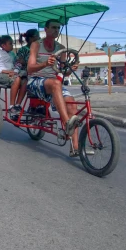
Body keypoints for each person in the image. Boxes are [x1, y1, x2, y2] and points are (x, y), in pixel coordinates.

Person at [27, 19, 81, 153]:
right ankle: (67, 123)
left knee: (72, 103)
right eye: (53, 27)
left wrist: (70, 69)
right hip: (35, 80)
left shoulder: (61, 48)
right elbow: (29, 69)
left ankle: (75, 147)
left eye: (58, 28)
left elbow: (63, 72)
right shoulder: (36, 45)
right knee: (56, 83)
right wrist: (45, 64)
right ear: (45, 29)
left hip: (53, 83)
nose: (56, 30)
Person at [10, 29, 40, 117]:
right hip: (24, 72)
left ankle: (35, 106)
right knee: (22, 79)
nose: (39, 39)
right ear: (30, 39)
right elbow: (20, 62)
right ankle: (14, 106)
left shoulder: (40, 49)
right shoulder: (24, 49)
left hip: (37, 72)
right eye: (37, 37)